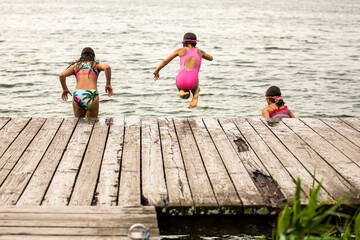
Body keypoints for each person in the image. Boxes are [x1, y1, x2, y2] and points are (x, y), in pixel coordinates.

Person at [153, 32, 213, 108]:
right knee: (196, 88)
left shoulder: (180, 50)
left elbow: (165, 61)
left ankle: (181, 92)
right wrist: (203, 54)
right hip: (193, 82)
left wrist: (157, 71)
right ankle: (195, 94)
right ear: (196, 43)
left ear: (184, 42)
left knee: (184, 93)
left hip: (181, 80)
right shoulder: (200, 52)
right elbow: (211, 58)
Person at [59, 47, 113, 117]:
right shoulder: (95, 66)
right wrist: (108, 84)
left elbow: (61, 75)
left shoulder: (76, 67)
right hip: (91, 94)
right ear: (93, 57)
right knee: (92, 124)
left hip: (77, 95)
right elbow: (107, 67)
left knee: (79, 124)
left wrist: (65, 89)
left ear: (81, 57)